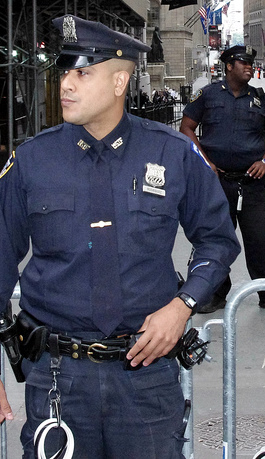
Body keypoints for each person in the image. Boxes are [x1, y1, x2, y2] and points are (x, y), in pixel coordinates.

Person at [0, 14, 240, 458]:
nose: (65, 85)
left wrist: (182, 305)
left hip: (145, 376)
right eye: (64, 72)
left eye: (82, 73)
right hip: (57, 375)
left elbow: (218, 239)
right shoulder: (32, 161)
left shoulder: (172, 154)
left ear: (119, 82)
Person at [180, 45, 265, 311]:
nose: (249, 66)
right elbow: (187, 128)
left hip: (251, 185)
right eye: (243, 63)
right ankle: (215, 293)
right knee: (216, 240)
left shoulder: (260, 98)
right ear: (229, 66)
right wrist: (206, 162)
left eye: (251, 62)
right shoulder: (208, 94)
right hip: (218, 184)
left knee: (258, 241)